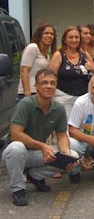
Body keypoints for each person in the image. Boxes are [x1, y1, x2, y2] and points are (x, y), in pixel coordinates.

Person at [1, 69, 79, 206]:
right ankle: (18, 189)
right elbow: (16, 134)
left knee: (73, 155)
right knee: (17, 147)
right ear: (36, 86)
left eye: (52, 83)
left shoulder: (58, 109)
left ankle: (35, 176)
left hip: (37, 154)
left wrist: (66, 154)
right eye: (44, 83)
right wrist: (42, 146)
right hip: (15, 154)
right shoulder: (26, 104)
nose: (49, 86)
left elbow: (62, 136)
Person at [49, 26, 94, 118]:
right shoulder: (58, 55)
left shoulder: (85, 55)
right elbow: (50, 78)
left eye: (76, 37)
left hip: (83, 98)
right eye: (71, 37)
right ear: (65, 40)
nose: (74, 40)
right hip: (63, 97)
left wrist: (92, 69)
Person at [17, 24, 57, 100]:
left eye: (52, 34)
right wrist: (27, 93)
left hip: (39, 92)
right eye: (46, 33)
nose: (49, 36)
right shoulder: (33, 47)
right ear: (39, 35)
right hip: (28, 92)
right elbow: (24, 70)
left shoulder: (47, 56)